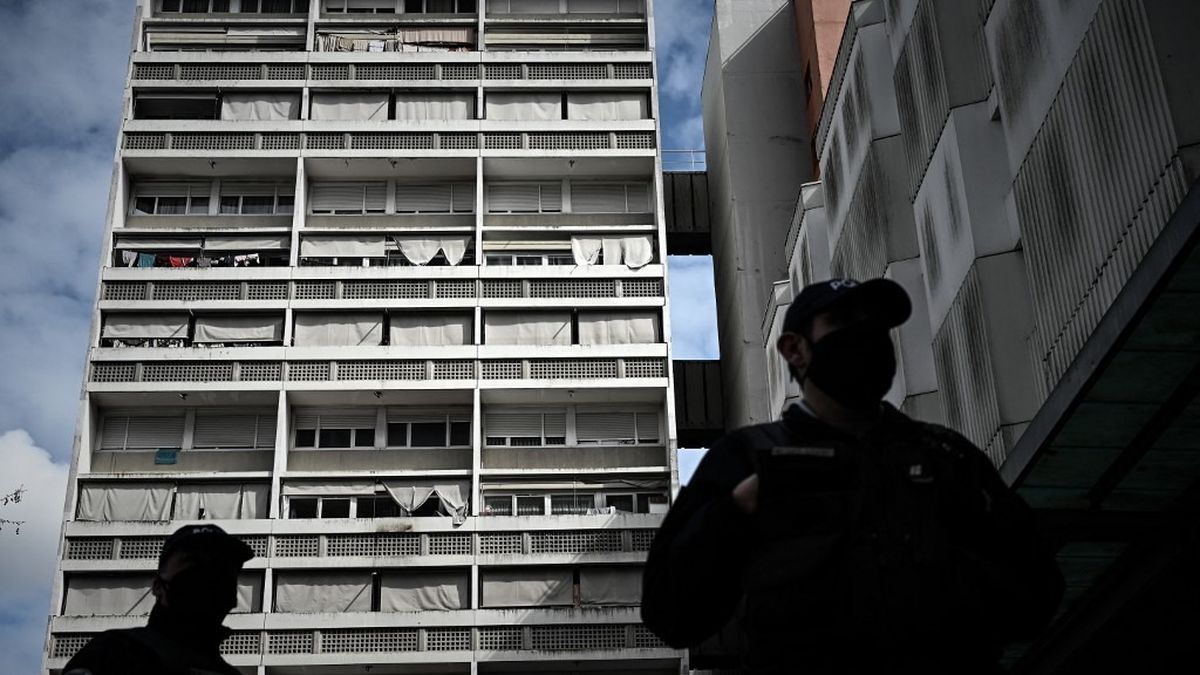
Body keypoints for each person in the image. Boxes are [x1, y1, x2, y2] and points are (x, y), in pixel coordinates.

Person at [642, 278, 1065, 674]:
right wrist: (736, 511)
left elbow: (1038, 592)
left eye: (875, 324)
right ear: (795, 349)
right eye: (843, 321)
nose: (864, 335)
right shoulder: (746, 457)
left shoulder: (944, 455)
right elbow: (671, 615)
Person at [64, 524, 255, 675]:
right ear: (157, 586)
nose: (209, 576)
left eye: (221, 567)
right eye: (193, 562)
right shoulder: (115, 651)